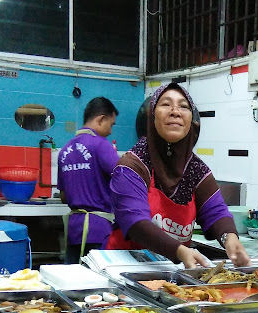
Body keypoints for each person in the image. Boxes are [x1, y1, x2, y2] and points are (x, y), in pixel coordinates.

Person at [105, 83, 249, 268]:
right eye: (166, 104)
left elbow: (216, 212)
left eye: (184, 106)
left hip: (169, 273)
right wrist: (179, 251)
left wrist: (230, 238)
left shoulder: (197, 170)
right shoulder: (132, 166)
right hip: (123, 270)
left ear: (191, 119)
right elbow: (135, 223)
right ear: (152, 116)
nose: (175, 111)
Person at [57, 97, 120, 263]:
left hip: (74, 229)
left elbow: (63, 197)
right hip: (99, 229)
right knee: (98, 284)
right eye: (111, 124)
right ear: (101, 119)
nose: (111, 131)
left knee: (71, 281)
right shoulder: (102, 145)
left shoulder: (64, 150)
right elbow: (123, 182)